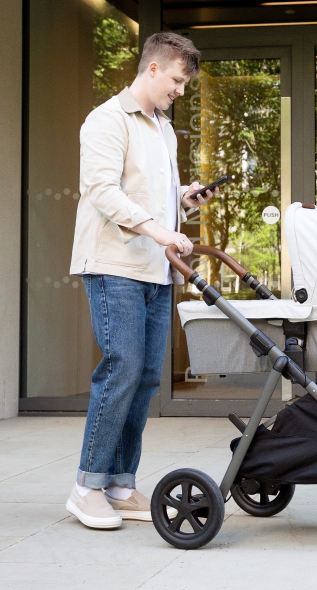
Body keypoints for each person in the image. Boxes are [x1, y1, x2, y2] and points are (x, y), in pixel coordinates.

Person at [66, 32, 213, 529]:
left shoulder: (163, 129)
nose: (181, 90)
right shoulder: (106, 120)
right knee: (123, 367)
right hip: (114, 265)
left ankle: (120, 484)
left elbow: (150, 195)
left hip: (155, 268)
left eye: (184, 82)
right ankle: (86, 486)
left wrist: (182, 200)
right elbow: (103, 191)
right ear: (153, 69)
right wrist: (156, 227)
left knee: (147, 377)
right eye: (176, 79)